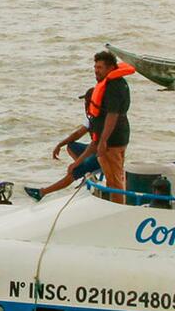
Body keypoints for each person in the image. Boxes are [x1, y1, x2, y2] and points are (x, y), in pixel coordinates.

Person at [26, 51, 133, 203]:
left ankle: (116, 209)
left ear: (110, 68)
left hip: (111, 142)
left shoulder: (113, 87)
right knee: (112, 177)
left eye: (100, 67)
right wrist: (65, 147)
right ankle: (89, 178)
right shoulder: (115, 84)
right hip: (113, 140)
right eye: (95, 67)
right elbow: (81, 136)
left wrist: (103, 141)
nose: (96, 70)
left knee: (114, 180)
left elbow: (113, 115)